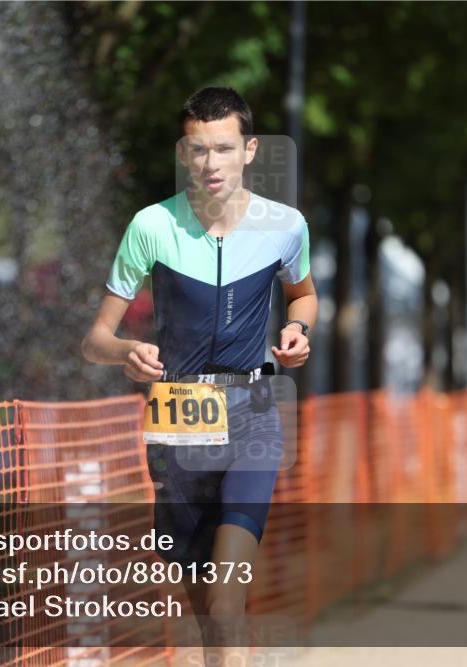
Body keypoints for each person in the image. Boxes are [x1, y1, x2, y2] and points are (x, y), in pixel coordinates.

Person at [82, 87, 317, 660]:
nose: (211, 164)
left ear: (250, 150)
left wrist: (298, 332)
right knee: (203, 612)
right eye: (198, 150)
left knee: (226, 598)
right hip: (176, 420)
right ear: (184, 154)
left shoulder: (285, 226)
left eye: (223, 149)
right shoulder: (151, 226)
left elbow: (304, 296)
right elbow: (95, 341)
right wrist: (126, 353)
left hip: (254, 414)